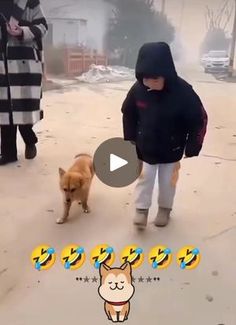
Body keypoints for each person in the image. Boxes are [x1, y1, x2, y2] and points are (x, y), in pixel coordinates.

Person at [122, 42, 208, 228]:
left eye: (154, 79)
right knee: (144, 179)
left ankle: (164, 209)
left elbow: (199, 119)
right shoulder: (138, 90)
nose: (149, 83)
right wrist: (130, 140)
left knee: (168, 182)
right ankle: (141, 210)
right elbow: (128, 114)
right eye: (145, 78)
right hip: (146, 148)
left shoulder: (184, 92)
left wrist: (193, 145)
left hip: (172, 149)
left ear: (166, 74)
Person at [0, 0, 48, 165]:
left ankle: (30, 139)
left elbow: (43, 26)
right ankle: (8, 154)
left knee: (23, 108)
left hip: (24, 63)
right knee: (5, 110)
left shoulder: (29, 3)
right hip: (2, 63)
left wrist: (22, 31)